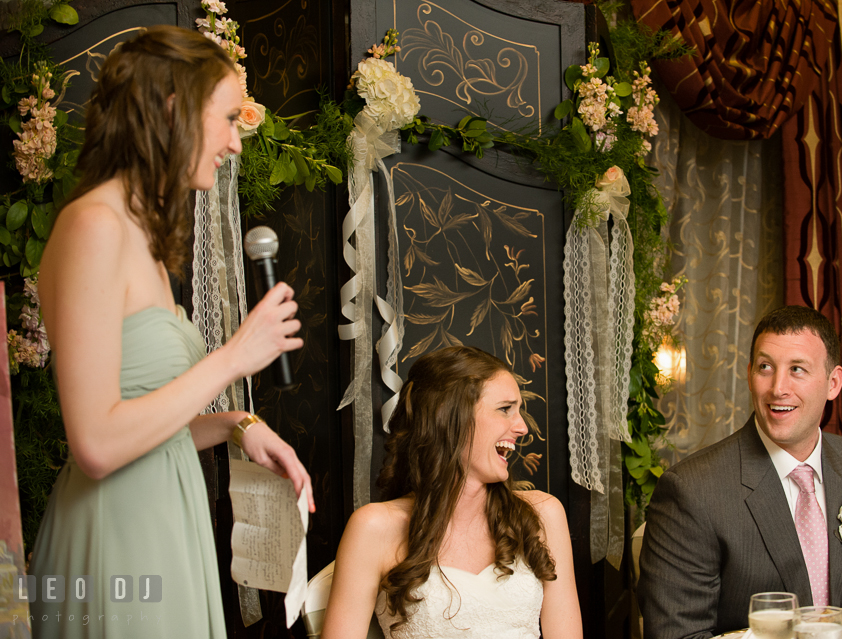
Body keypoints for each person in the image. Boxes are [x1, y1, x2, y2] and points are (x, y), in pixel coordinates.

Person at [29, 25, 314, 638]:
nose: (236, 144)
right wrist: (234, 357)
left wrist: (239, 429)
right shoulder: (94, 226)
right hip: (117, 536)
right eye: (228, 119)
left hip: (164, 518)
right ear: (173, 108)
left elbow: (147, 429)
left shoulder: (142, 238)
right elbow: (98, 445)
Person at [637, 305, 842, 639]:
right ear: (750, 374)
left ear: (833, 383)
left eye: (797, 369)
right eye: (766, 367)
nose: (778, 388)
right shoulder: (692, 491)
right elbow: (676, 636)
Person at [320, 346, 581, 639]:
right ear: (450, 418)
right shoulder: (374, 527)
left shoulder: (543, 514)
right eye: (505, 409)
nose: (522, 427)